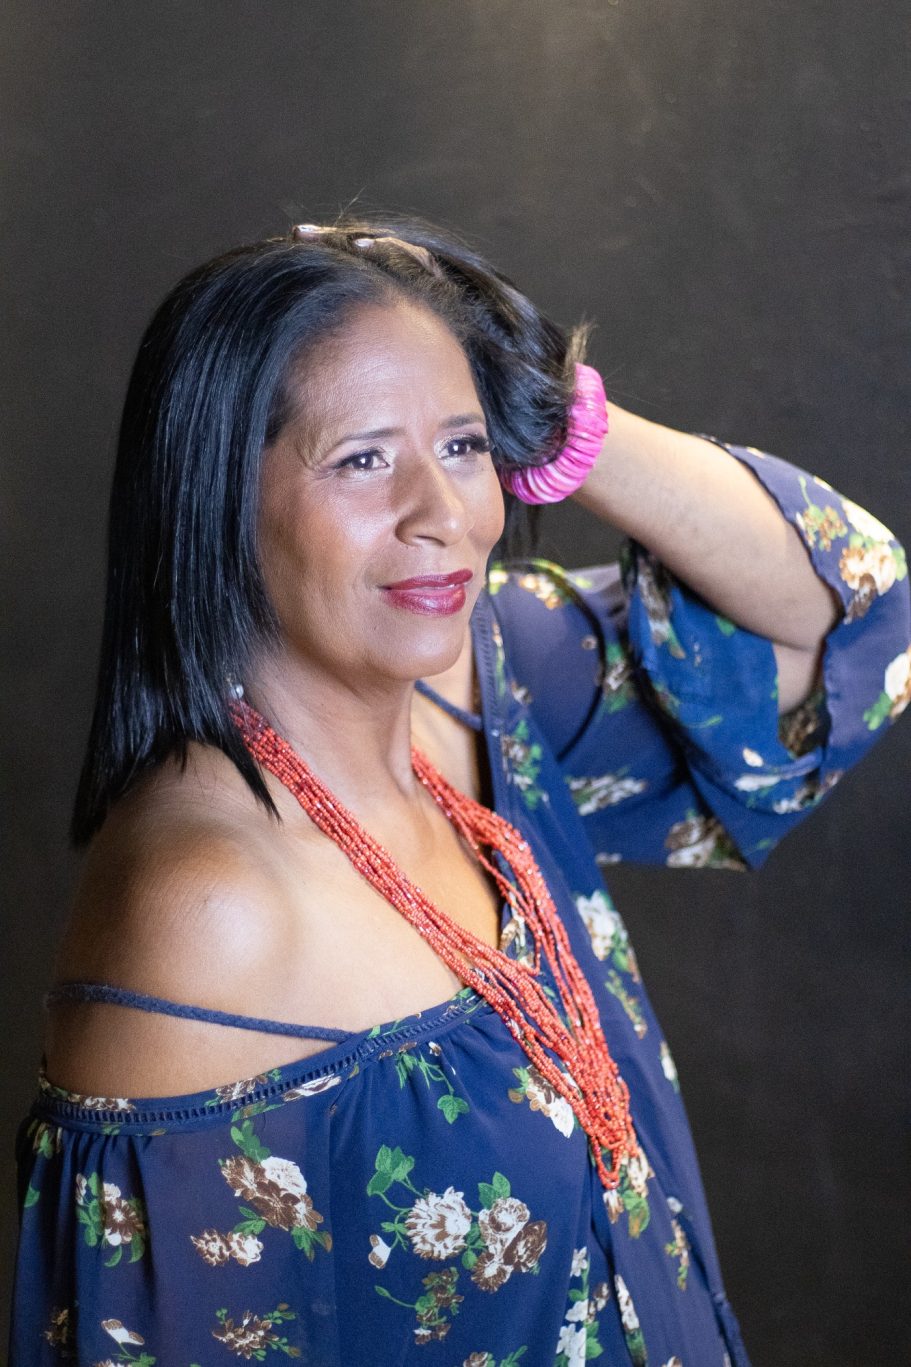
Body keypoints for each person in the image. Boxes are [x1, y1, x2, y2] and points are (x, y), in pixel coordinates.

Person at [9, 215, 909, 1367]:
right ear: (219, 495)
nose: (443, 515)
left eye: (466, 445)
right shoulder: (210, 911)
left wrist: (568, 417)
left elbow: (848, 622)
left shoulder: (476, 680)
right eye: (363, 458)